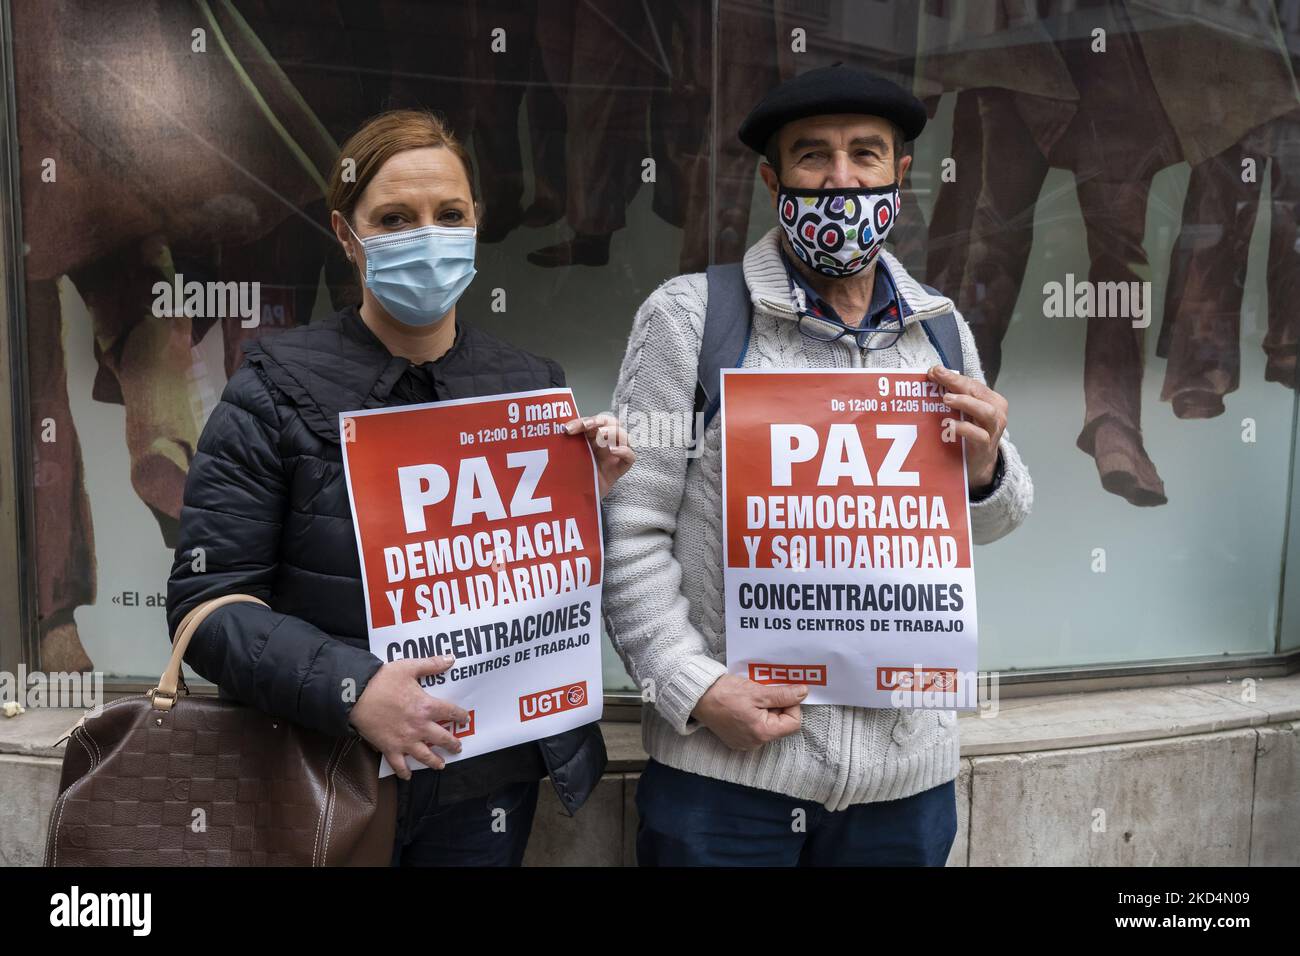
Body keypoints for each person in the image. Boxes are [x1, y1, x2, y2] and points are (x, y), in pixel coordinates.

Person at [166, 109, 634, 867]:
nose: (427, 235)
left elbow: (548, 587)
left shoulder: (531, 385)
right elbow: (206, 605)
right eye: (394, 218)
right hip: (328, 779)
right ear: (347, 237)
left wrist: (590, 499)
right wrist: (356, 689)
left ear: (476, 225)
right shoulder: (272, 387)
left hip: (487, 786)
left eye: (449, 214)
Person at [602, 65, 1033, 866]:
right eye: (813, 158)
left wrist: (983, 466)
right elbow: (628, 528)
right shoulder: (690, 318)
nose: (842, 180)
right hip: (725, 786)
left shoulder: (941, 330)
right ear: (774, 180)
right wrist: (693, 689)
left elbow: (993, 521)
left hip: (906, 793)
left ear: (900, 176)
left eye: (866, 155)